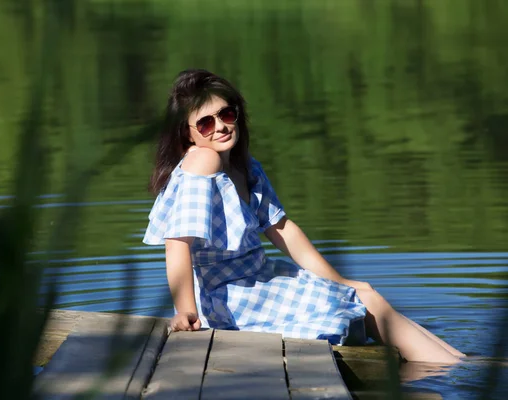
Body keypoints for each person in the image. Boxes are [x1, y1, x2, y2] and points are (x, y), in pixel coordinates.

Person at [142, 69, 464, 363]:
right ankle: (457, 369)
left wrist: (339, 281)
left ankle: (462, 362)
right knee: (365, 301)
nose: (221, 126)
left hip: (257, 280)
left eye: (226, 114)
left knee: (364, 294)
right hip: (227, 299)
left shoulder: (244, 166)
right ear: (187, 135)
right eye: (206, 123)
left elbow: (283, 228)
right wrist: (186, 311)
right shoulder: (202, 163)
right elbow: (177, 241)